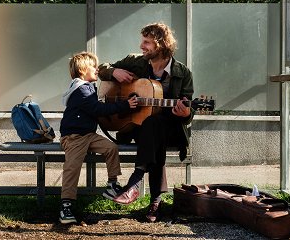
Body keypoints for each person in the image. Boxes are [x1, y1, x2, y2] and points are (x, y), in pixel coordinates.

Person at [98, 22, 194, 223]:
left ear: (160, 44)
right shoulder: (136, 61)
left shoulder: (182, 72)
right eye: (142, 41)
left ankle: (134, 182)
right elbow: (100, 69)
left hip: (172, 128)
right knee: (151, 128)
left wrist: (185, 113)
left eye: (147, 42)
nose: (142, 46)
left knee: (154, 125)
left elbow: (189, 112)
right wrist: (113, 72)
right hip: (135, 127)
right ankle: (155, 202)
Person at [59, 51, 137, 224]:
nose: (96, 69)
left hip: (88, 135)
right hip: (74, 137)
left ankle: (112, 184)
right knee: (72, 168)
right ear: (82, 69)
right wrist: (125, 105)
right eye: (93, 66)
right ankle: (66, 205)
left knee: (111, 148)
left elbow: (96, 109)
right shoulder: (81, 89)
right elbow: (97, 110)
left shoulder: (88, 88)